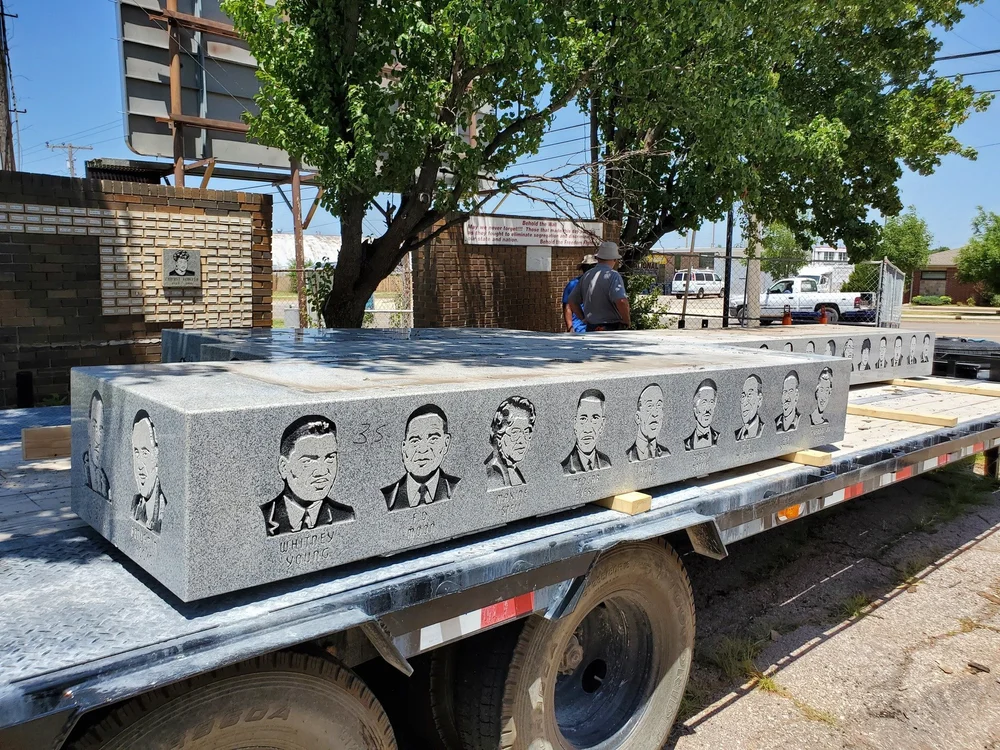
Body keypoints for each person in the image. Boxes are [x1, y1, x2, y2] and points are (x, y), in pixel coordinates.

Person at [261, 416, 354, 536]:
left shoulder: (344, 515)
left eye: (330, 458)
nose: (322, 471)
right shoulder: (263, 517)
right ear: (284, 467)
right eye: (308, 461)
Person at [383, 405, 460, 511]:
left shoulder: (457, 488)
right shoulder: (389, 496)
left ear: (446, 443)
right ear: (404, 448)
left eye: (433, 439)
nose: (423, 449)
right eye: (415, 440)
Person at [567, 241, 631, 332]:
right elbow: (621, 301)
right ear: (614, 259)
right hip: (610, 328)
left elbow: (572, 300)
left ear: (598, 258)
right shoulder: (613, 275)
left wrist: (583, 318)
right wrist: (626, 320)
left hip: (591, 327)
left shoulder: (587, 275)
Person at [485, 396, 536, 490]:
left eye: (526, 432)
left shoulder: (515, 470)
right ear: (499, 436)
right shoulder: (494, 472)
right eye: (515, 433)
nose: (522, 441)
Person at [131, 410, 166, 533]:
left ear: (156, 456)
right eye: (136, 452)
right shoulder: (136, 503)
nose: (139, 464)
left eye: (145, 453)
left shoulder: (162, 510)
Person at [562, 390, 612, 474]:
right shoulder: (565, 466)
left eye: (595, 418)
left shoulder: (606, 462)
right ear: (575, 423)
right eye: (583, 419)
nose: (587, 429)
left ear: (602, 424)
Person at [627, 384, 669, 462]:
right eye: (649, 406)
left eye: (659, 406)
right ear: (638, 417)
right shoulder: (627, 457)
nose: (655, 413)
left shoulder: (666, 453)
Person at [83, 391, 110, 500]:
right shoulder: (85, 466)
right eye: (94, 426)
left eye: (101, 429)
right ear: (88, 427)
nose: (98, 439)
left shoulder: (105, 477)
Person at [562, 254, 598, 333]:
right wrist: (570, 327)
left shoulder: (600, 283)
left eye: (592, 266)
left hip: (598, 326)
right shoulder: (573, 284)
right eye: (586, 267)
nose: (589, 269)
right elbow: (567, 307)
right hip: (579, 327)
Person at [684, 379, 720, 451]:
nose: (707, 410)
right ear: (695, 409)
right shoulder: (687, 443)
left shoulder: (718, 437)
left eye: (711, 403)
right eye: (704, 403)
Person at [735, 375, 765, 441]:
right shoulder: (737, 434)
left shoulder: (764, 429)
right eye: (743, 396)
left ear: (759, 399)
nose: (745, 402)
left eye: (749, 395)